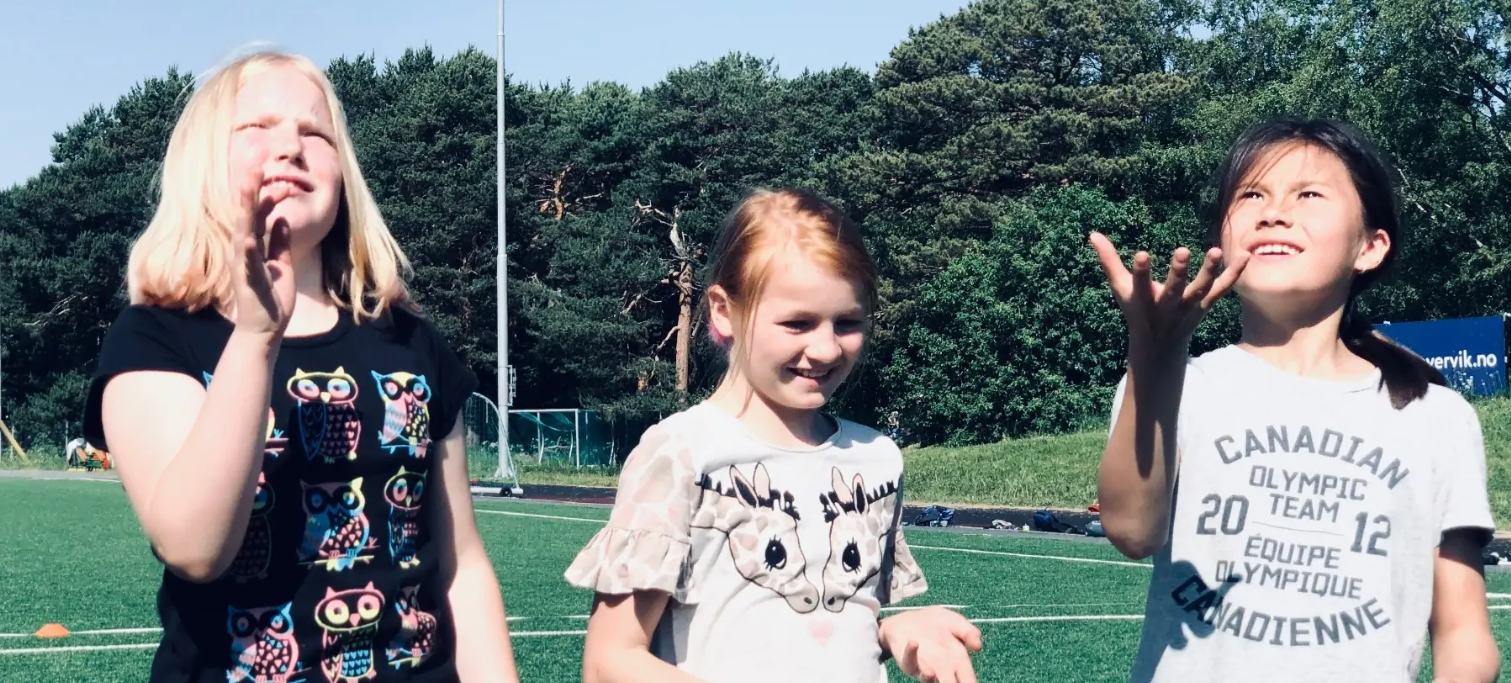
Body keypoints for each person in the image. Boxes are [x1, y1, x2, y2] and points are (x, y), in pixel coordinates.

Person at [83, 50, 519, 683]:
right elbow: (193, 547)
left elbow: (462, 565)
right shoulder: (155, 338)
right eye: (257, 128)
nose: (289, 146)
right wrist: (259, 334)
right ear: (201, 166)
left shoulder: (413, 345)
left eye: (315, 132)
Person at [1092, 117, 1498, 682]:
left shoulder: (1437, 416)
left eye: (1308, 194)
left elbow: (1462, 633)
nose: (1274, 211)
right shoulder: (1177, 385)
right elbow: (1132, 530)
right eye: (1252, 193)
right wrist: (1153, 358)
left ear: (1370, 246)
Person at [569, 188, 983, 683]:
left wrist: (894, 632)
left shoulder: (878, 459)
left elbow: (821, 623)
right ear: (724, 310)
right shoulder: (681, 451)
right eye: (798, 323)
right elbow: (609, 661)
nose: (826, 349)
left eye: (848, 322)